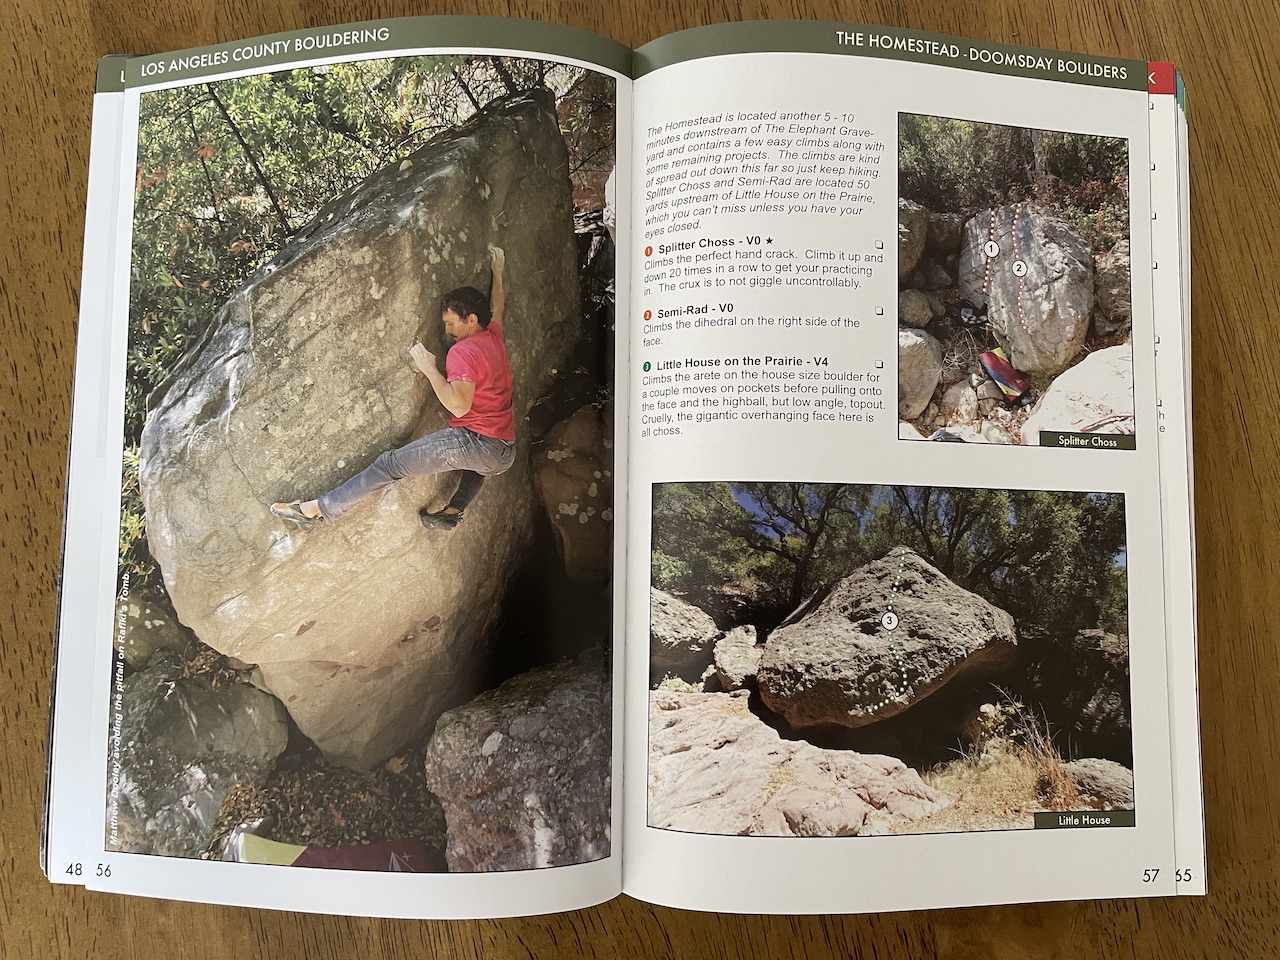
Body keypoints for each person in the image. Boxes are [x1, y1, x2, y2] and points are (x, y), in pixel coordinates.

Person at [270, 246, 514, 532]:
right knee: (476, 465)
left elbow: (459, 406)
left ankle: (316, 509)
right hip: (504, 452)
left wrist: (430, 369)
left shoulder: (464, 351)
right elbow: (499, 307)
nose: (447, 331)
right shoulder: (493, 335)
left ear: (471, 319)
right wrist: (498, 272)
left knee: (389, 465)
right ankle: (454, 509)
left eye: (450, 323)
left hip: (479, 445)